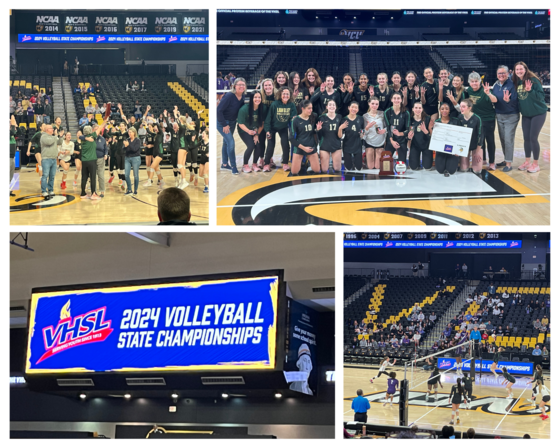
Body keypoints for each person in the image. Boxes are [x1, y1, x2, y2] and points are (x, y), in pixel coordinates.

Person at [512, 61, 548, 173]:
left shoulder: (534, 80)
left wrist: (530, 90)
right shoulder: (517, 81)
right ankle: (527, 161)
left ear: (525, 69)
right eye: (517, 69)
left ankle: (536, 164)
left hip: (538, 113)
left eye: (521, 69)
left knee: (533, 138)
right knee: (526, 138)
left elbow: (541, 97)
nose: (519, 71)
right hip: (526, 114)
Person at [491, 65, 520, 172]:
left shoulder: (512, 85)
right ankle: (505, 159)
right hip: (499, 115)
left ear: (508, 74)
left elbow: (516, 101)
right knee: (503, 138)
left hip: (511, 115)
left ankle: (508, 163)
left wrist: (508, 101)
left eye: (503, 73)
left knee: (508, 139)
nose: (501, 75)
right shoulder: (495, 85)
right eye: (499, 73)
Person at [263, 86, 297, 172]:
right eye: (284, 94)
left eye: (287, 94)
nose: (286, 95)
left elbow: (293, 117)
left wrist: (294, 119)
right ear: (280, 94)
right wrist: (267, 130)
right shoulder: (274, 104)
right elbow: (268, 119)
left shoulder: (291, 105)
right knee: (270, 146)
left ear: (290, 95)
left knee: (285, 144)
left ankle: (285, 163)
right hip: (272, 127)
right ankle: (266, 164)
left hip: (283, 128)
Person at [467, 72, 497, 169]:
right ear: (469, 83)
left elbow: (494, 100)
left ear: (480, 82)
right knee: (480, 140)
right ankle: (483, 159)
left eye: (476, 81)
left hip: (488, 119)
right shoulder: (469, 91)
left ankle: (492, 162)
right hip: (477, 120)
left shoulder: (484, 90)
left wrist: (488, 94)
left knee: (490, 140)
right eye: (472, 81)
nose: (474, 83)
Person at [217, 78, 247, 174]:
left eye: (243, 84)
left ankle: (224, 164)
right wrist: (224, 125)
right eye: (239, 84)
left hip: (232, 122)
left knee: (226, 142)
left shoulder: (242, 97)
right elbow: (218, 111)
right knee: (231, 142)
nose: (241, 86)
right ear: (235, 86)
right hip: (222, 122)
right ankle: (233, 166)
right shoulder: (229, 96)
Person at [289, 99, 321, 176]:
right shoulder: (296, 120)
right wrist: (304, 148)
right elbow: (291, 138)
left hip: (311, 147)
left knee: (317, 170)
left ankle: (309, 161)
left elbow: (313, 131)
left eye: (311, 108)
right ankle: (303, 161)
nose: (311, 110)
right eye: (309, 108)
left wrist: (317, 129)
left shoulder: (314, 116)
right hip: (300, 147)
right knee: (294, 172)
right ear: (302, 108)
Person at [238, 91, 264, 173]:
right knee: (251, 146)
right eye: (255, 97)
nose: (257, 99)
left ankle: (254, 164)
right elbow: (240, 124)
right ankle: (245, 165)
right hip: (244, 129)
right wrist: (248, 131)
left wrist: (257, 134)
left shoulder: (261, 109)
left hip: (255, 130)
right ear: (251, 98)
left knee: (258, 145)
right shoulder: (244, 109)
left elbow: (261, 124)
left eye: (259, 97)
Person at [433, 103, 462, 176]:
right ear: (440, 110)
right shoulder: (437, 122)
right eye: (442, 109)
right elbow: (435, 138)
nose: (444, 110)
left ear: (449, 110)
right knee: (440, 170)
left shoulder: (456, 121)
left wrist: (458, 150)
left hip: (452, 151)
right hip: (441, 150)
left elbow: (460, 136)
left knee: (451, 171)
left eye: (446, 109)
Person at [79, 122, 106, 200]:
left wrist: (85, 138)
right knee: (93, 177)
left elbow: (80, 136)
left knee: (84, 177)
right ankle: (93, 194)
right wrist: (105, 121)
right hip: (92, 160)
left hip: (84, 161)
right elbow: (100, 128)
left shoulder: (83, 139)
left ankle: (83, 193)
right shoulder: (92, 136)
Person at [317, 99, 344, 173]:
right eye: (330, 105)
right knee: (324, 170)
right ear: (327, 107)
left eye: (333, 105)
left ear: (336, 107)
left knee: (337, 169)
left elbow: (340, 136)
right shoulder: (321, 117)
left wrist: (341, 128)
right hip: (325, 145)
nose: (332, 106)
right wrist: (318, 130)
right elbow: (318, 135)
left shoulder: (339, 117)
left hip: (336, 144)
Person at [458, 99, 484, 173]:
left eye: (463, 107)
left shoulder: (477, 118)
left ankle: (476, 156)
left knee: (477, 171)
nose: (461, 108)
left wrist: (477, 151)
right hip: (465, 145)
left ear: (469, 108)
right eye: (460, 106)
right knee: (464, 169)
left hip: (476, 145)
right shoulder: (460, 117)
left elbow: (481, 135)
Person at [384, 92, 410, 165]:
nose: (396, 100)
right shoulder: (387, 112)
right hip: (391, 140)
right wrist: (392, 141)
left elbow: (408, 129)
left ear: (401, 100)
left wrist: (399, 133)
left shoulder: (406, 112)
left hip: (402, 141)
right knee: (385, 164)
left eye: (398, 98)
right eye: (394, 98)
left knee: (401, 166)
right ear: (391, 100)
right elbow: (388, 128)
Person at [362, 96, 387, 169]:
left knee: (378, 167)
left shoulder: (382, 114)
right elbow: (363, 132)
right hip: (369, 141)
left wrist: (384, 130)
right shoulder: (365, 116)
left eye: (376, 104)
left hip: (380, 142)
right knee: (370, 167)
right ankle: (365, 158)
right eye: (372, 103)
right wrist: (367, 127)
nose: (374, 106)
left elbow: (387, 127)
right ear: (369, 103)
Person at [407, 102, 432, 170]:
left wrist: (425, 131)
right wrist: (409, 138)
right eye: (416, 108)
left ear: (422, 109)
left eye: (420, 108)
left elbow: (431, 137)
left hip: (426, 145)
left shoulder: (428, 119)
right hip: (415, 146)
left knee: (427, 167)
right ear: (412, 109)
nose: (418, 110)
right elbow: (407, 136)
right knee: (413, 167)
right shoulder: (409, 120)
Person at [39, 125, 61, 198]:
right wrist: (56, 136)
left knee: (52, 176)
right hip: (46, 159)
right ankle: (44, 191)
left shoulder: (53, 137)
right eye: (51, 128)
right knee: (45, 175)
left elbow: (60, 142)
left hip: (54, 159)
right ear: (47, 130)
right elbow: (49, 142)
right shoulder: (43, 136)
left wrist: (60, 136)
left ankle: (50, 190)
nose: (52, 129)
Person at [123, 127, 141, 196]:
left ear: (134, 133)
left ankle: (135, 190)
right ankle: (129, 189)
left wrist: (128, 145)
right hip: (127, 158)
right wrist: (125, 145)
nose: (129, 133)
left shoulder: (137, 140)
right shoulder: (127, 139)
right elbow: (123, 148)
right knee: (126, 175)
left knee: (135, 175)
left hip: (135, 158)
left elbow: (135, 149)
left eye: (130, 132)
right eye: (128, 132)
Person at [9, 116, 23, 196]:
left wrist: (16, 125)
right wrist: (13, 124)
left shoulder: (12, 132)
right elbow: (12, 132)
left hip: (12, 156)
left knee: (11, 174)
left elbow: (19, 133)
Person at [95, 130, 108, 198]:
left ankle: (102, 191)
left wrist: (106, 154)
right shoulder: (91, 138)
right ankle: (93, 192)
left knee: (101, 175)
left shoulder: (102, 139)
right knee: (93, 176)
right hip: (92, 159)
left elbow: (106, 149)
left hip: (101, 159)